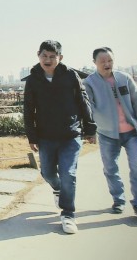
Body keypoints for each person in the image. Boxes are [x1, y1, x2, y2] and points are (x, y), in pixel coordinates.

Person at [24, 40, 96, 234]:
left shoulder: (70, 75)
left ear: (60, 58)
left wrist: (90, 129)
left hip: (70, 135)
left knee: (68, 174)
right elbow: (28, 109)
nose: (48, 60)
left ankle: (68, 214)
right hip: (45, 136)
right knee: (48, 173)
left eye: (52, 56)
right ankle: (57, 189)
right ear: (38, 55)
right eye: (44, 56)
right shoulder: (33, 80)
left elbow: (83, 101)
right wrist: (32, 136)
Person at [83, 47, 137, 218]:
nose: (107, 64)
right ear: (94, 63)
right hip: (107, 134)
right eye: (102, 61)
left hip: (131, 132)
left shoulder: (124, 78)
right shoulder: (89, 83)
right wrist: (91, 131)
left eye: (110, 60)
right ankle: (118, 200)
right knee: (110, 169)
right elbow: (88, 109)